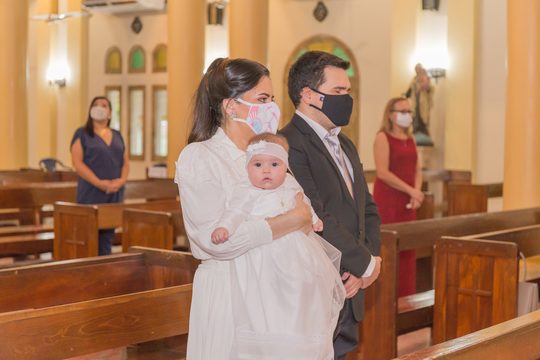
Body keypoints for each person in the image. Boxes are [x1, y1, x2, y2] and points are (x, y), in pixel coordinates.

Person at [176, 58, 315, 360]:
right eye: (262, 100)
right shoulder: (200, 157)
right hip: (229, 291)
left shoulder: (268, 155)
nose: (272, 108)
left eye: (272, 100)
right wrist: (290, 220)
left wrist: (300, 220)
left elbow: (305, 217)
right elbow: (216, 242)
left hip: (275, 290)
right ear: (230, 106)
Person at [280, 50, 382, 359]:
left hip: (352, 283)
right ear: (308, 95)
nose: (346, 99)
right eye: (338, 92)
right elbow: (315, 215)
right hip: (316, 282)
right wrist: (361, 264)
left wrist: (371, 260)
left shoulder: (345, 143)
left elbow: (367, 209)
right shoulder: (287, 143)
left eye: (348, 92)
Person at [210, 132, 345, 359]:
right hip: (263, 256)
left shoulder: (291, 184)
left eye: (274, 164)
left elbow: (305, 203)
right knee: (267, 302)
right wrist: (224, 228)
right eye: (258, 164)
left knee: (301, 293)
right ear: (248, 167)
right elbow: (235, 211)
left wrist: (314, 219)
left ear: (285, 166)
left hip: (297, 253)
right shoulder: (246, 190)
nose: (266, 171)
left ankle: (299, 335)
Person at [373, 97, 424, 296]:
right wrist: (411, 191)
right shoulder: (383, 137)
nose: (407, 115)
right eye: (403, 111)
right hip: (389, 201)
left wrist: (416, 193)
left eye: (409, 111)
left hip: (408, 204)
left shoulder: (410, 139)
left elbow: (418, 169)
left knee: (407, 254)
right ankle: (386, 300)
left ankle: (406, 300)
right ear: (391, 114)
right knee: (389, 252)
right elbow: (382, 172)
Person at [70, 96, 129, 256]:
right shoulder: (82, 134)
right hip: (91, 192)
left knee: (106, 240)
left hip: (114, 193)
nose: (99, 107)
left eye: (104, 105)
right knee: (89, 240)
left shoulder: (117, 135)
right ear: (90, 111)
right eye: (95, 104)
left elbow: (125, 162)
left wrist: (121, 181)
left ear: (110, 113)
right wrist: (99, 183)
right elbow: (77, 163)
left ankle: (106, 274)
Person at [405, 63, 434, 146]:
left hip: (423, 102)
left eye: (418, 69)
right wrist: (407, 94)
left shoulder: (425, 77)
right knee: (415, 117)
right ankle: (416, 131)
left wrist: (422, 86)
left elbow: (429, 88)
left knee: (423, 117)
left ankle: (423, 132)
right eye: (416, 69)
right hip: (415, 101)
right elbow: (410, 88)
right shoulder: (414, 79)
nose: (417, 71)